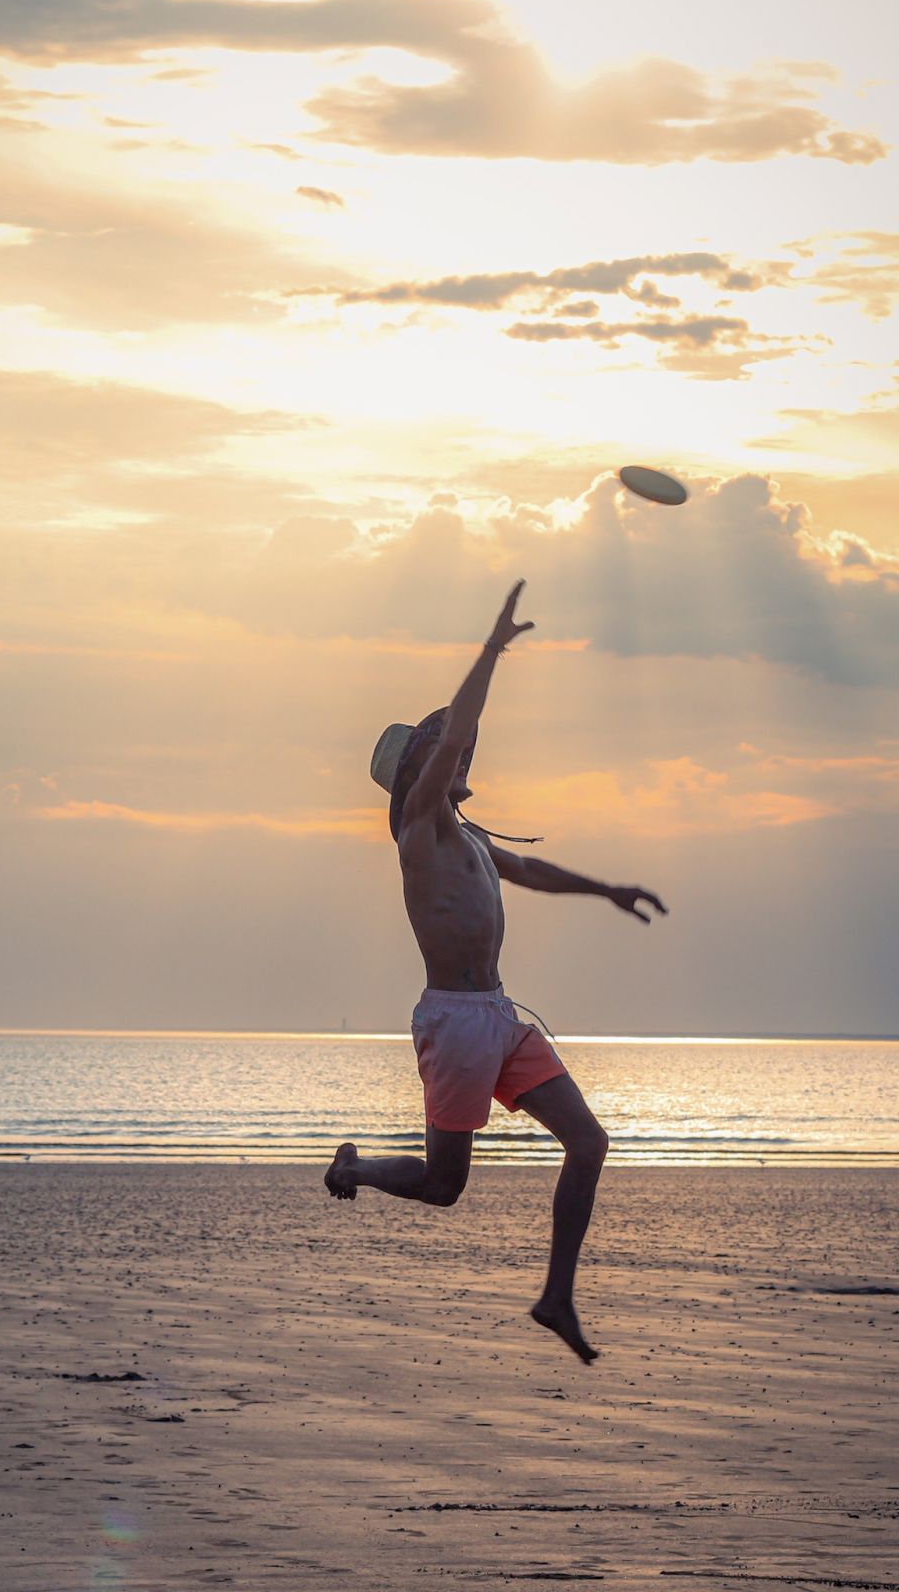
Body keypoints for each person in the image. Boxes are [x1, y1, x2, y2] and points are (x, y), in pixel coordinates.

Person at [325, 580, 667, 1362]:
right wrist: (492, 648)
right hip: (452, 1020)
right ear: (422, 771)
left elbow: (531, 873)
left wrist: (607, 890)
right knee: (446, 1187)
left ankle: (556, 1298)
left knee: (589, 1144)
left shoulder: (470, 837)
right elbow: (456, 733)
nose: (465, 754)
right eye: (448, 753)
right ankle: (357, 1168)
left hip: (501, 1019)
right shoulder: (421, 829)